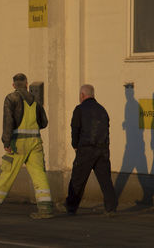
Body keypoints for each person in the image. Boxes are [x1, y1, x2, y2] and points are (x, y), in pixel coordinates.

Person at [0, 73, 54, 219]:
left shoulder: (11, 98)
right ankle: (45, 209)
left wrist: (6, 142)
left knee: (8, 174)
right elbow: (44, 123)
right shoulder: (35, 100)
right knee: (39, 174)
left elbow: (8, 121)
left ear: (13, 85)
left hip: (18, 143)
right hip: (35, 143)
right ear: (27, 84)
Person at [57, 84, 117, 215]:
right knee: (105, 180)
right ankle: (111, 208)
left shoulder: (79, 109)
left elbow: (75, 128)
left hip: (86, 149)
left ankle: (71, 206)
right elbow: (106, 129)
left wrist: (75, 145)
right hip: (103, 149)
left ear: (82, 95)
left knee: (78, 180)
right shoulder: (102, 109)